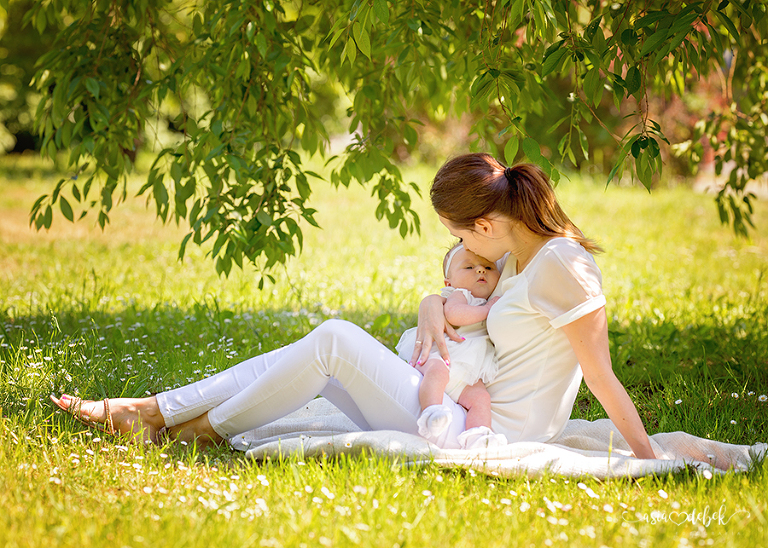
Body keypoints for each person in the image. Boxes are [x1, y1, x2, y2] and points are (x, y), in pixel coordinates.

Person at [51, 153, 657, 458]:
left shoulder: (563, 265)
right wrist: (428, 303)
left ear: (482, 222)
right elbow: (470, 307)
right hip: (452, 404)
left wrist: (648, 460)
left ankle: (189, 429)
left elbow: (600, 375)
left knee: (336, 340)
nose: (461, 249)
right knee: (315, 349)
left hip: (489, 428)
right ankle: (155, 413)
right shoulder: (519, 259)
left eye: (460, 236)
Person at [396, 243, 507, 449]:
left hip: (465, 371)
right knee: (437, 372)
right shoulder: (460, 294)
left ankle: (478, 435)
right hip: (441, 354)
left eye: (489, 267)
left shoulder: (488, 300)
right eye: (469, 267)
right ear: (449, 281)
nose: (481, 270)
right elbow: (454, 314)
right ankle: (432, 412)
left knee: (480, 398)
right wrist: (488, 310)